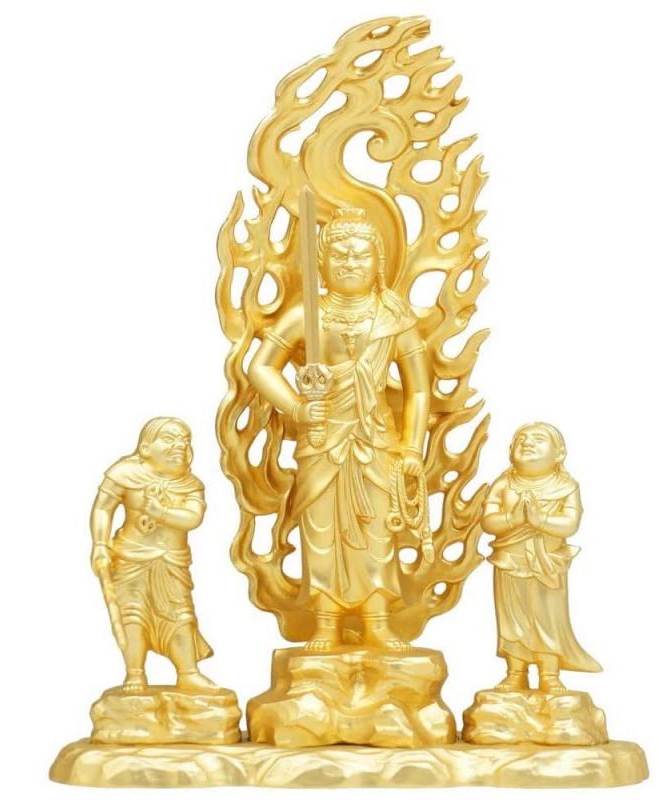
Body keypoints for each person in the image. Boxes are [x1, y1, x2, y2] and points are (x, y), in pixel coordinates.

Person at [247, 208, 430, 651]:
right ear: (322, 263)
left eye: (360, 255)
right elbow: (260, 367)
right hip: (321, 439)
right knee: (321, 530)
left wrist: (412, 446)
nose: (350, 263)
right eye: (340, 255)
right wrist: (296, 407)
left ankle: (377, 620)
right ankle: (325, 622)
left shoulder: (393, 317)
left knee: (376, 531)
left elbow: (420, 389)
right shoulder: (307, 315)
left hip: (375, 440)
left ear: (378, 263)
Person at [89, 417, 218, 693]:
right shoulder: (124, 473)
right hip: (130, 558)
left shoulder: (189, 484)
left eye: (185, 440)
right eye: (169, 439)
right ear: (146, 447)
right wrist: (100, 544)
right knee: (132, 615)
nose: (180, 445)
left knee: (180, 615)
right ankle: (134, 674)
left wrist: (162, 513)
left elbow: (193, 518)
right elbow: (102, 508)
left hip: (171, 561)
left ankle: (188, 672)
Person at [481, 422, 601, 692]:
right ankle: (515, 673)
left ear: (559, 453)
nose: (527, 442)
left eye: (538, 439)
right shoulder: (504, 484)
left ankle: (549, 674)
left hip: (548, 564)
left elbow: (570, 524)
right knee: (512, 620)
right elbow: (488, 521)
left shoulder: (566, 486)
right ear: (510, 450)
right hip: (510, 563)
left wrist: (540, 520)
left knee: (548, 619)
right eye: (521, 439)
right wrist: (512, 519)